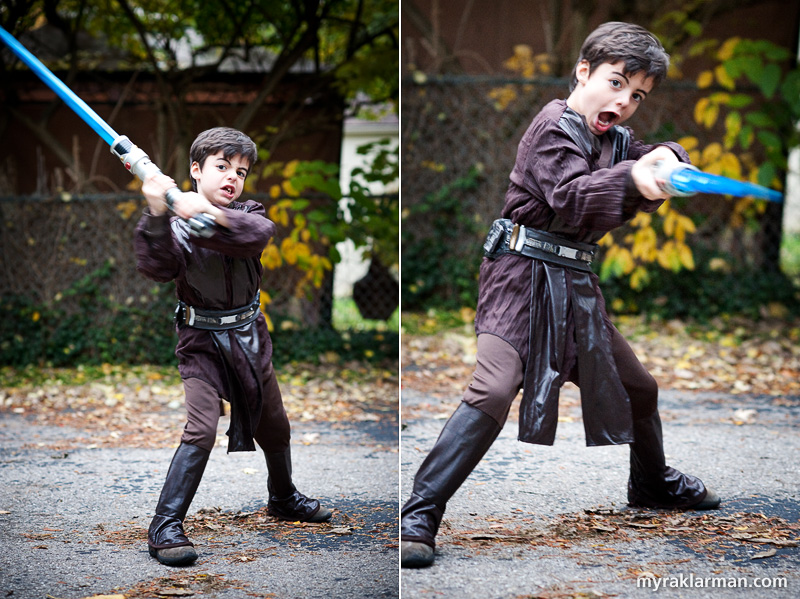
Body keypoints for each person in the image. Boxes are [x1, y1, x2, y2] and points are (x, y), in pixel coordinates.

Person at [401, 22, 720, 569]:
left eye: (637, 95)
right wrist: (632, 183)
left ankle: (652, 484)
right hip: (519, 279)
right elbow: (571, 199)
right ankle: (420, 512)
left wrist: (667, 158)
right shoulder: (551, 126)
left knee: (639, 389)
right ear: (583, 72)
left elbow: (647, 153)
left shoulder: (614, 139)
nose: (623, 100)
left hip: (576, 288)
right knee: (495, 387)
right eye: (616, 82)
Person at [134, 127, 331, 567]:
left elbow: (253, 235)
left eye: (240, 171)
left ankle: (283, 498)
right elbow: (157, 266)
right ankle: (165, 526)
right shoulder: (172, 222)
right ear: (195, 169)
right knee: (201, 429)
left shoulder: (246, 212)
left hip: (249, 336)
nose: (232, 178)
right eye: (221, 167)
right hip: (200, 343)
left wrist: (202, 210)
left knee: (275, 427)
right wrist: (157, 209)